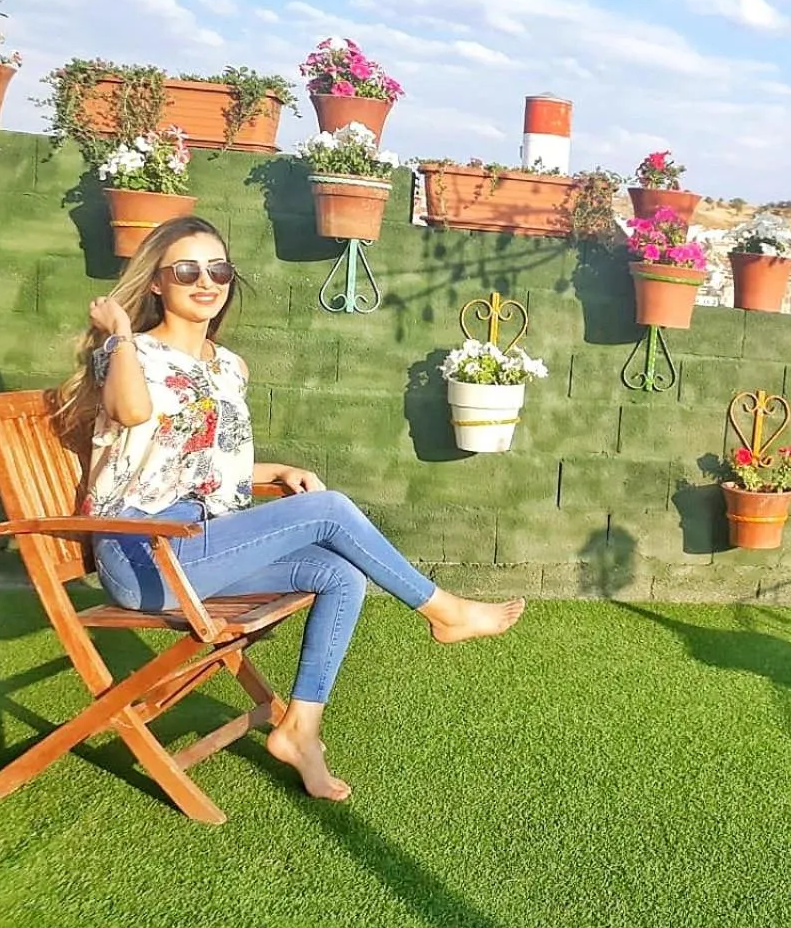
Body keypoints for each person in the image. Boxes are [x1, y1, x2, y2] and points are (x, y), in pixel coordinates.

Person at [58, 216, 525, 802]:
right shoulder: (129, 352)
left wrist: (274, 471)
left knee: (339, 574)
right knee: (328, 509)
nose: (206, 281)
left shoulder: (227, 366)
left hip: (198, 545)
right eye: (186, 270)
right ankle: (444, 610)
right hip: (143, 555)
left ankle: (300, 730)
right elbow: (131, 414)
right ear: (156, 281)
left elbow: (197, 459)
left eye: (218, 269)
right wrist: (122, 333)